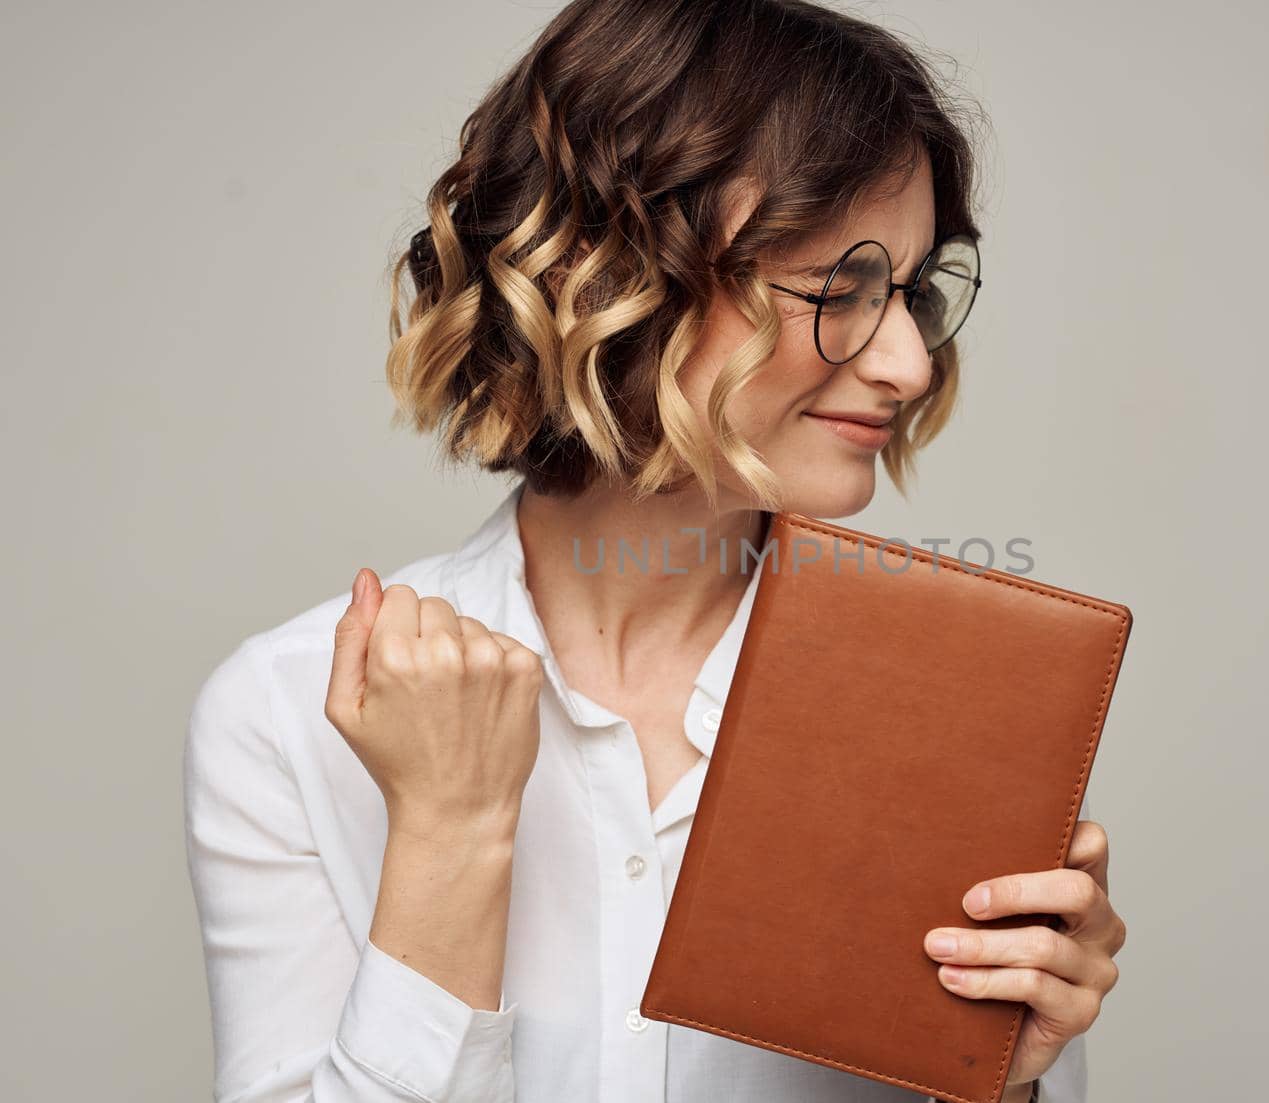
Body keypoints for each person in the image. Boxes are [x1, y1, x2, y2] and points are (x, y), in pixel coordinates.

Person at [182, 1, 1125, 1101]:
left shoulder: (961, 700)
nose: (909, 365)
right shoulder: (293, 712)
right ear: (605, 276)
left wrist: (1004, 1077)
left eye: (911, 293)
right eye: (836, 290)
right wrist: (451, 830)